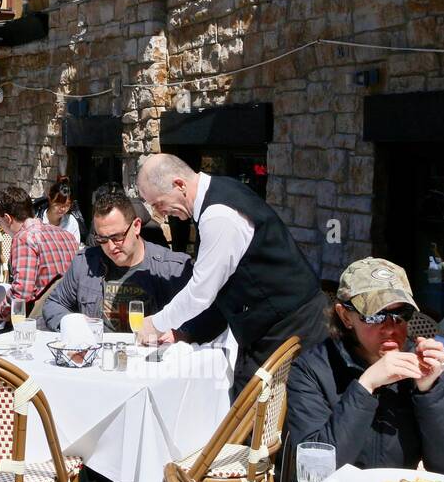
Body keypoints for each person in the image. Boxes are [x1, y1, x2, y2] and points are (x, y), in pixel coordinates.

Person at [136, 154, 331, 397]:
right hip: (275, 324)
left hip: (290, 325)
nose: (161, 214)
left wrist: (156, 324)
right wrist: (184, 332)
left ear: (179, 184)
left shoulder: (218, 215)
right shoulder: (219, 193)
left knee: (262, 411)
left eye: (158, 203)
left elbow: (201, 292)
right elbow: (222, 289)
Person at [285, 258, 444, 482]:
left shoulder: (420, 368)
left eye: (400, 314)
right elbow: (315, 471)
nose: (389, 328)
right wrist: (366, 385)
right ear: (345, 316)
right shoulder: (312, 370)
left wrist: (429, 392)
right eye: (375, 316)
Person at [40, 188, 225, 339]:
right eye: (102, 239)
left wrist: (179, 334)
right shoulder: (85, 263)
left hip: (150, 365)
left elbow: (212, 315)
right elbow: (54, 303)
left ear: (136, 226)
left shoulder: (171, 268)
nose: (111, 247)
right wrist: (72, 324)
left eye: (117, 237)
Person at [0, 186, 78, 323]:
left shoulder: (24, 238)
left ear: (7, 218)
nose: (0, 227)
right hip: (72, 316)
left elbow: (21, 293)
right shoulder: (67, 235)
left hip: (42, 320)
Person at [35, 176, 84, 244]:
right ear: (50, 199)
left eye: (67, 205)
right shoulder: (37, 219)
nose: (63, 209)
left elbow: (75, 247)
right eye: (58, 204)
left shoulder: (71, 222)